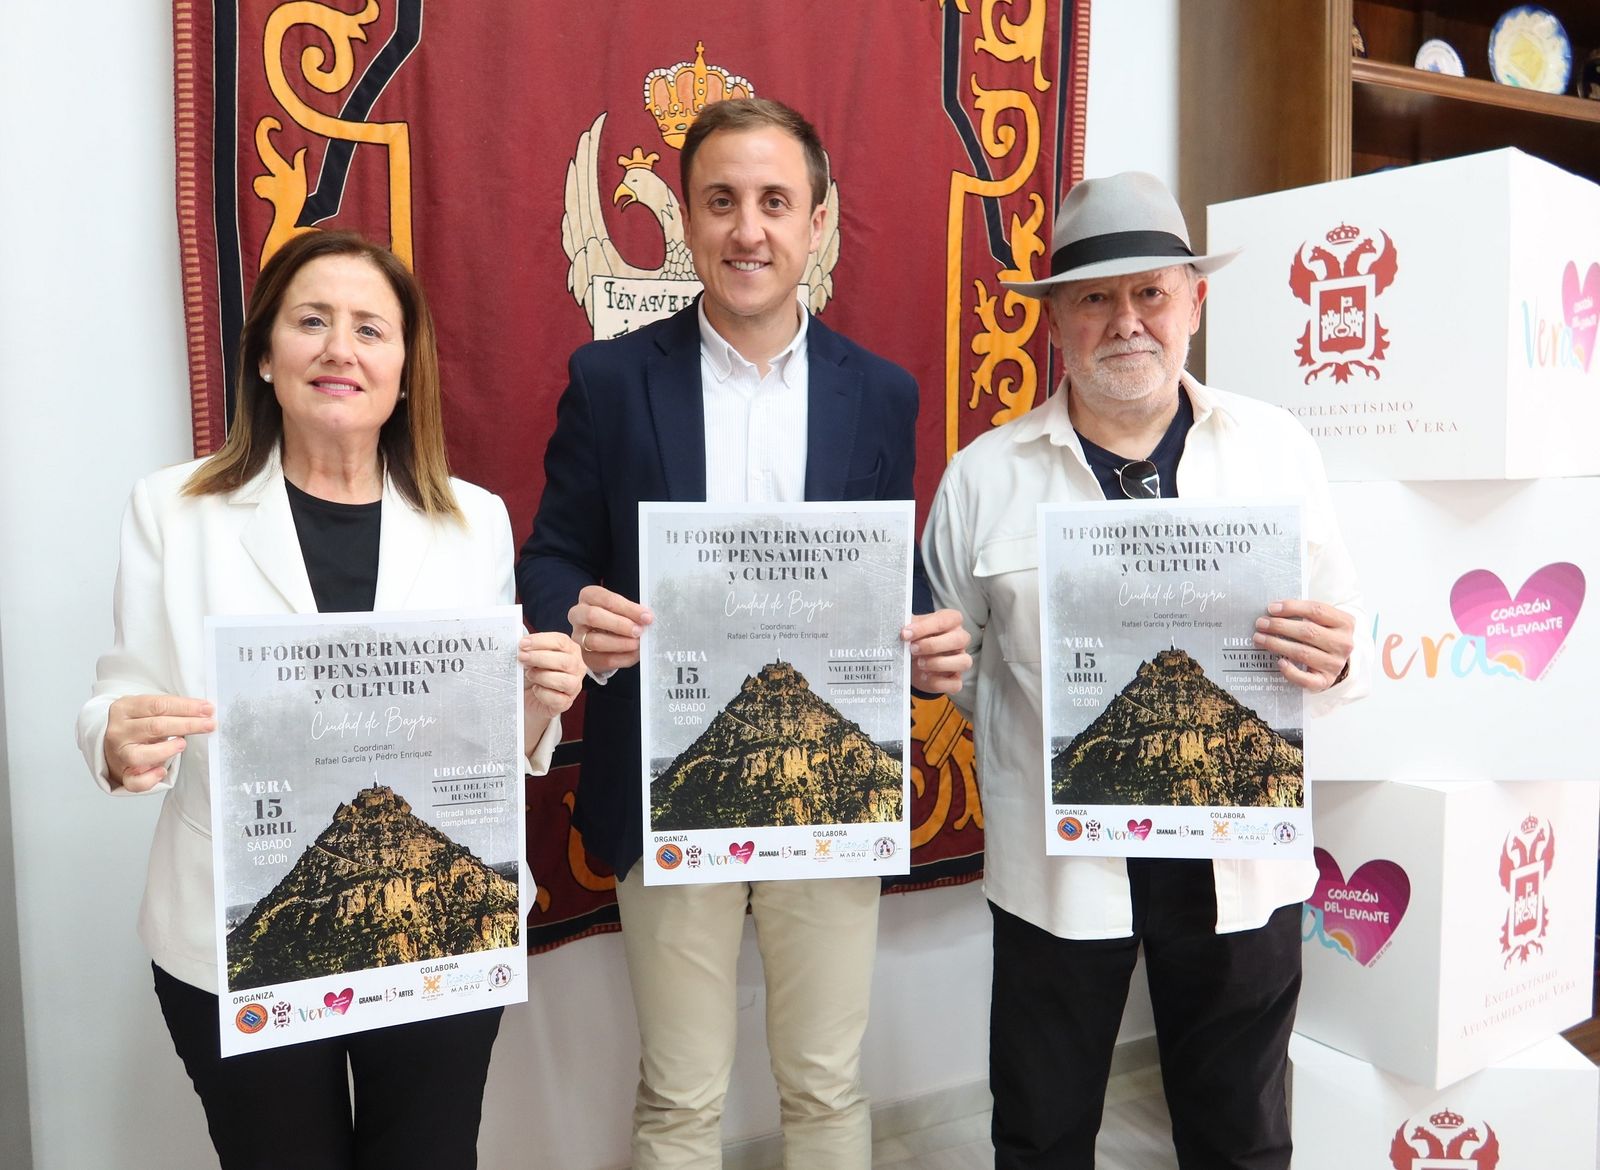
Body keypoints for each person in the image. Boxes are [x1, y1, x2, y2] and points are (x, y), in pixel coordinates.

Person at [519, 97, 970, 1169]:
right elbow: (548, 559)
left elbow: (886, 578)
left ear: (819, 222)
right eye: (720, 202)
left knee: (824, 1083)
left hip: (829, 781)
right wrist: (574, 618)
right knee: (679, 1095)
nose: (747, 230)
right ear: (685, 220)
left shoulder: (883, 394)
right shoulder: (612, 380)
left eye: (775, 201)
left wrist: (926, 651)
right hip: (670, 777)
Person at [75, 230, 585, 1170]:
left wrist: (538, 703)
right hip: (238, 930)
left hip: (438, 926)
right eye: (312, 322)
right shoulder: (172, 509)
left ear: (404, 368)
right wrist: (115, 736)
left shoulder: (472, 520)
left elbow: (482, 742)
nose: (340, 349)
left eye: (370, 329)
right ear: (266, 356)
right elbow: (124, 689)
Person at [921, 171, 1371, 1170]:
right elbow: (960, 667)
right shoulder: (983, 478)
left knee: (1240, 1136)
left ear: (1194, 304)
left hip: (1239, 862)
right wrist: (930, 667)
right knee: (1040, 1128)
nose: (1126, 321)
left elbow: (1349, 642)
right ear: (1055, 321)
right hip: (1058, 866)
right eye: (1094, 298)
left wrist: (1336, 657)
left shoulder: (1277, 452)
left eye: (1150, 293)